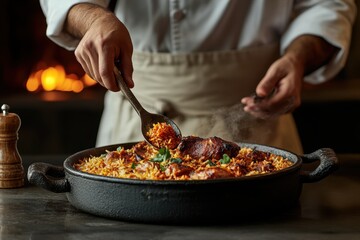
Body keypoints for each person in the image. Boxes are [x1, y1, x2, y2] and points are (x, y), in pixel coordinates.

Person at [39, 0, 356, 154]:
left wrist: (298, 58)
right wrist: (94, 19)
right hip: (136, 122)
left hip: (260, 130)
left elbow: (327, 4)